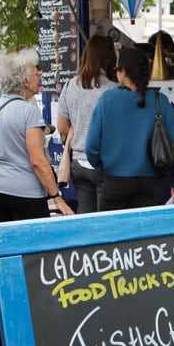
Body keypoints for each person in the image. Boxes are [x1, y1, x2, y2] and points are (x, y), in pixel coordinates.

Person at [0, 50, 74, 222]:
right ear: (25, 80)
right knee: (33, 244)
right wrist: (57, 197)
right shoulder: (29, 112)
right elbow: (38, 160)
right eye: (37, 74)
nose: (40, 77)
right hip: (24, 193)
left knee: (8, 244)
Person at [86, 46, 174, 211]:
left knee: (113, 233)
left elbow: (91, 146)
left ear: (123, 72)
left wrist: (104, 165)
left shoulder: (107, 99)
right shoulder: (161, 100)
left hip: (115, 180)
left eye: (117, 69)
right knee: (146, 233)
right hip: (151, 182)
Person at [56, 34, 117, 213]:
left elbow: (61, 127)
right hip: (103, 162)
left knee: (85, 216)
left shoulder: (70, 85)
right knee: (105, 219)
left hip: (77, 163)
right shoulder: (114, 88)